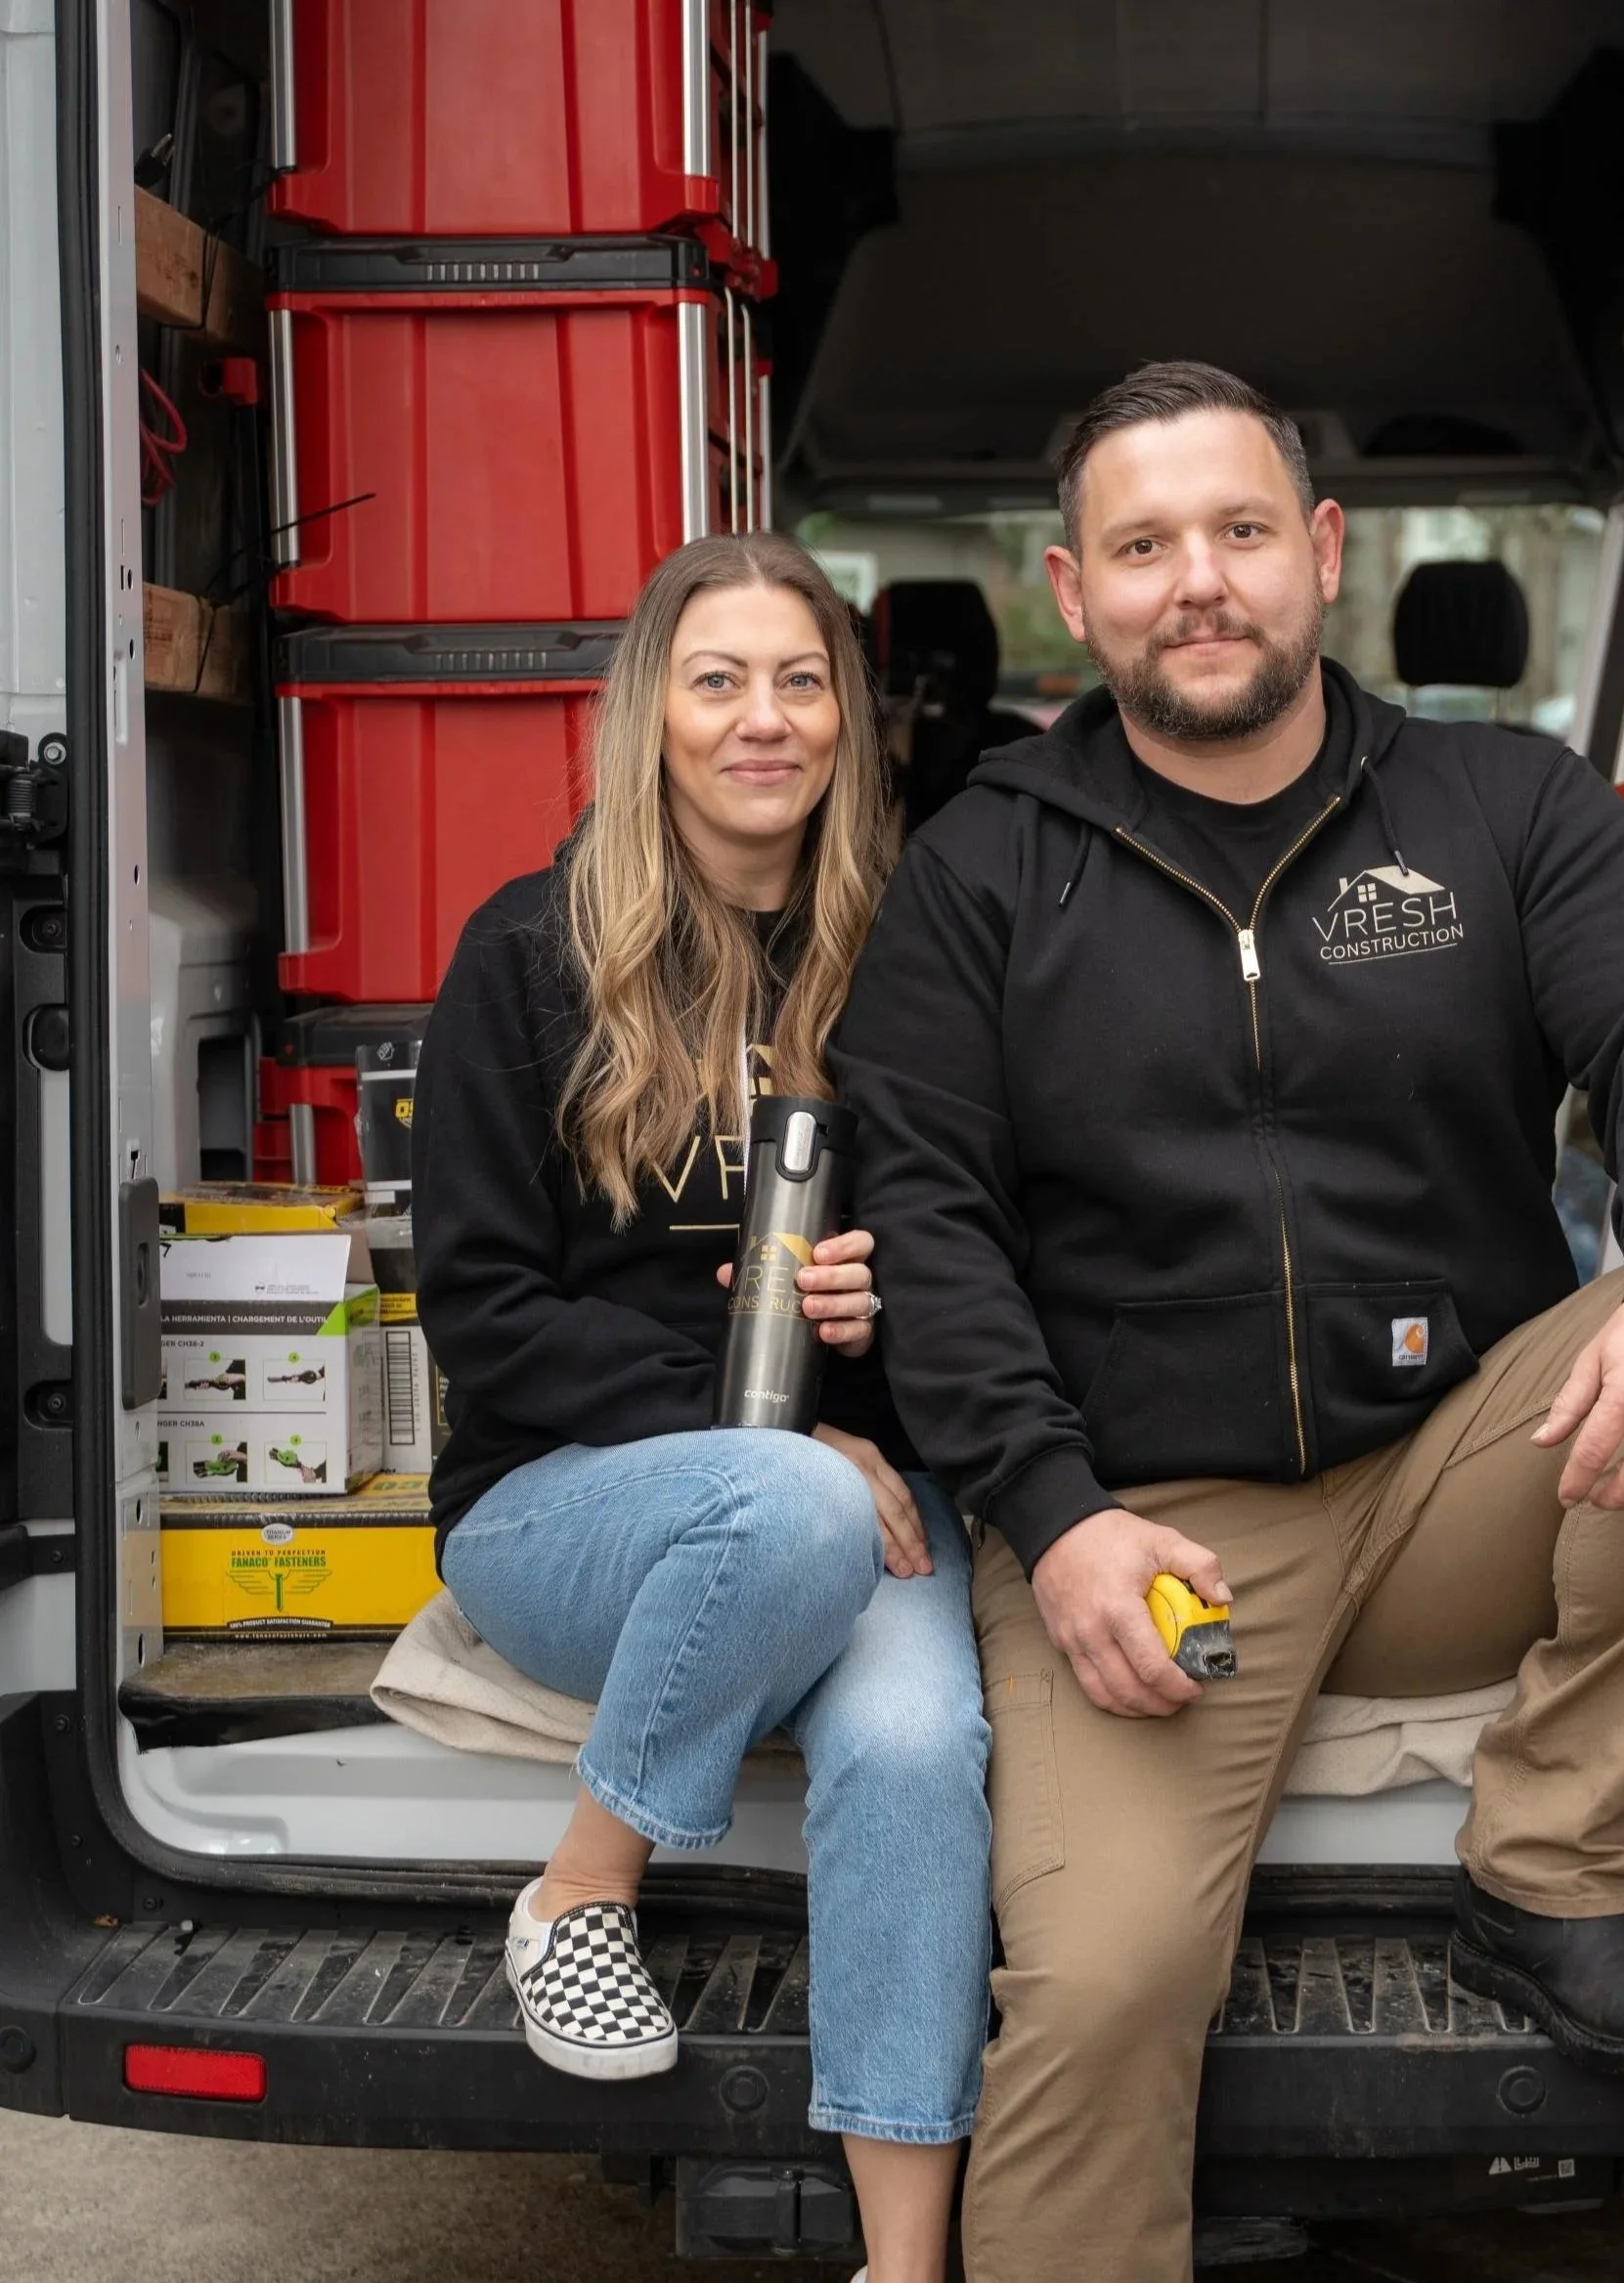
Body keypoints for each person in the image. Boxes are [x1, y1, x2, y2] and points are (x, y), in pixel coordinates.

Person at [830, 362, 1624, 2281]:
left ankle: (1550, 1858)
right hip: (1151, 1540)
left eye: (1237, 532)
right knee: (1109, 1983)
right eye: (1143, 547)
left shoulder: (1503, 804)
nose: (1195, 583)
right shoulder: (983, 865)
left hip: (1464, 1472)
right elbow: (929, 1225)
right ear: (1074, 590)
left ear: (1321, 555)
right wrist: (1051, 1519)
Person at [412, 533, 989, 2283]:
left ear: (849, 721)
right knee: (793, 1503)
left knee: (911, 1749)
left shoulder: (910, 959)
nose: (764, 720)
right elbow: (483, 1312)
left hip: (849, 1479)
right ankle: (581, 1888)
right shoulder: (526, 956)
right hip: (566, 1503)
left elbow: (994, 1257)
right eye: (718, 679)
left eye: (800, 681)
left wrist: (871, 1335)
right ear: (648, 714)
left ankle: (905, 2264)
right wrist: (760, 1423)